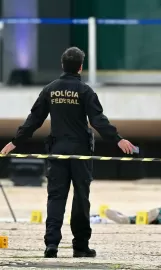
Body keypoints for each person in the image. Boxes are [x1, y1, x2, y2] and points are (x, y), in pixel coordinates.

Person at [0, 47, 137, 258]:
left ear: (62, 65)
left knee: (56, 197)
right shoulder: (85, 91)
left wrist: (14, 142)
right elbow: (98, 121)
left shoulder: (50, 90)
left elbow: (34, 120)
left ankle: (51, 246)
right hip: (80, 152)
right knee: (81, 198)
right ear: (81, 67)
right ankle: (80, 246)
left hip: (57, 151)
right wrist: (117, 140)